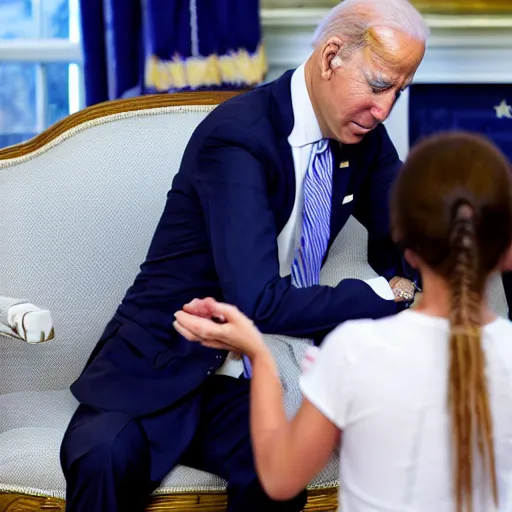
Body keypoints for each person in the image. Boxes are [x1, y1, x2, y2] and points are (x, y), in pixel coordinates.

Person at [60, 1, 428, 510]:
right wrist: (380, 292)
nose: (385, 109)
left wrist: (417, 285)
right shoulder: (238, 136)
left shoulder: (362, 137)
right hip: (158, 364)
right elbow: (258, 300)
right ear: (331, 57)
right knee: (101, 456)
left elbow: (416, 237)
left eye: (399, 92)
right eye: (379, 85)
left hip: (240, 384)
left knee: (277, 476)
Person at [175, 131, 512, 512]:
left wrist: (259, 353)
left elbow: (280, 478)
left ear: (403, 236)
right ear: (507, 250)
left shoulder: (356, 353)